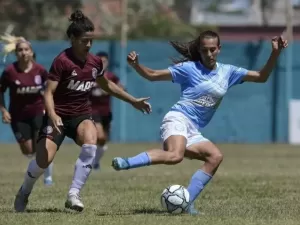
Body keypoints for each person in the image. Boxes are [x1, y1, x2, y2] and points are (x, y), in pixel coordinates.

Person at [111, 30, 288, 215]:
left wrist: (275, 53)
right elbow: (153, 74)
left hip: (193, 129)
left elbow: (262, 76)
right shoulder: (189, 68)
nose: (209, 54)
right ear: (200, 51)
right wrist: (137, 65)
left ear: (219, 49)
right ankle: (127, 162)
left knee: (215, 157)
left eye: (213, 49)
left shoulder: (228, 72)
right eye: (205, 50)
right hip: (177, 118)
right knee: (175, 156)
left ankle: (186, 203)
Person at [14, 9, 151, 213]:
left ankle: (73, 194)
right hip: (57, 115)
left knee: (91, 140)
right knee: (43, 161)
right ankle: (24, 191)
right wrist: (52, 116)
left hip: (81, 114)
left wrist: (132, 101)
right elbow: (48, 93)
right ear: (72, 38)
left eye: (91, 41)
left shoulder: (95, 62)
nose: (88, 45)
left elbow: (107, 85)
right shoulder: (62, 61)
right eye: (84, 40)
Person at [0, 38, 53, 186]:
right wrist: (3, 110)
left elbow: (50, 90)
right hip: (18, 116)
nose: (23, 53)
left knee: (41, 146)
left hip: (38, 112)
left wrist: (49, 108)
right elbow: (1, 91)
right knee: (28, 151)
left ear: (31, 52)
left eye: (26, 50)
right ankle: (39, 167)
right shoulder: (10, 72)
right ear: (16, 53)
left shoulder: (40, 70)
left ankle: (48, 177)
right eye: (20, 50)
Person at [90, 51, 124, 170]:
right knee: (99, 136)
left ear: (108, 62)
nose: (102, 63)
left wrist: (116, 90)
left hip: (106, 112)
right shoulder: (90, 76)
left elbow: (121, 88)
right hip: (92, 111)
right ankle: (89, 159)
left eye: (104, 61)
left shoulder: (111, 77)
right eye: (99, 61)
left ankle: (95, 162)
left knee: (103, 141)